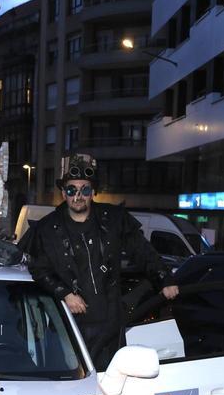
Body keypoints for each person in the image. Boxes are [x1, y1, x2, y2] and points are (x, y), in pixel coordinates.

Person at [25, 154, 179, 370]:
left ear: (93, 192)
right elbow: (38, 269)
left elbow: (143, 251)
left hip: (109, 325)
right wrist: (65, 294)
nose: (78, 196)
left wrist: (164, 278)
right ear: (63, 193)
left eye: (85, 189)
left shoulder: (113, 219)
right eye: (71, 190)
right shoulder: (47, 229)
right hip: (69, 326)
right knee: (72, 387)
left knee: (108, 388)